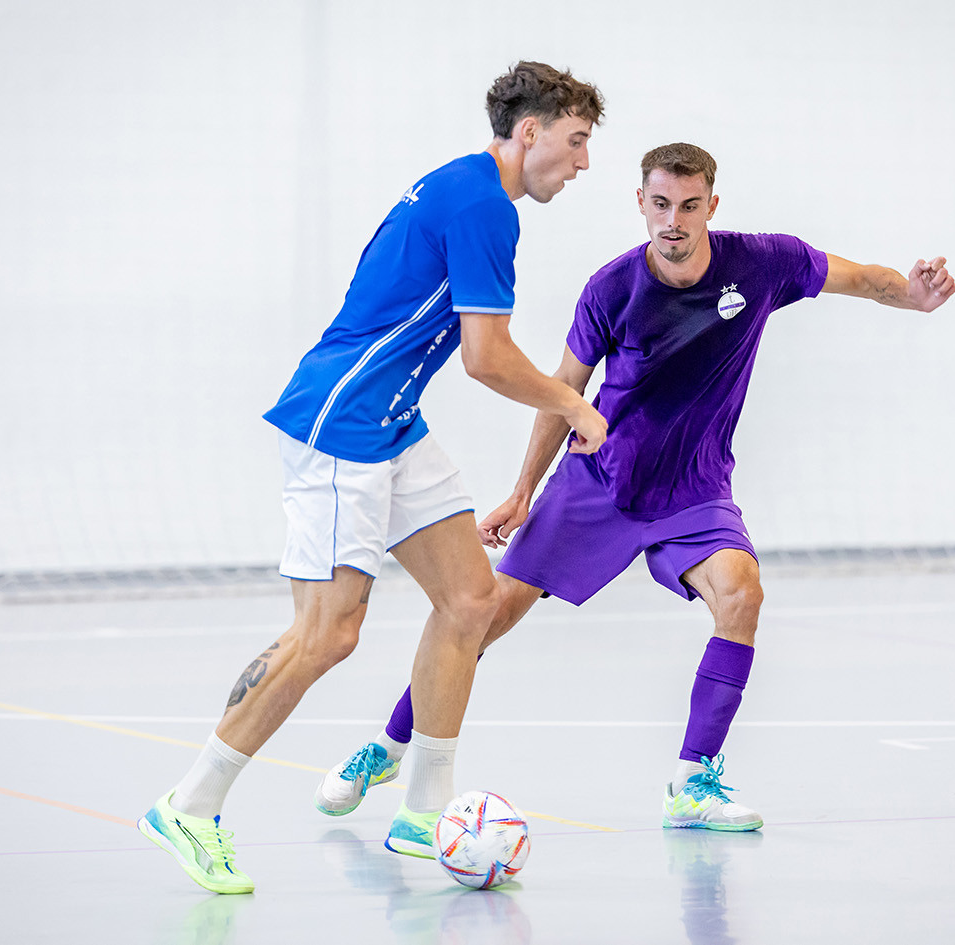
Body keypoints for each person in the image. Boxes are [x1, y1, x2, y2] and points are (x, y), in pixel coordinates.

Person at [314, 142, 955, 834]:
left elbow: (858, 276)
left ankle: (691, 781)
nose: (672, 221)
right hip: (601, 480)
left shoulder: (765, 262)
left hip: (695, 489)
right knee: (483, 614)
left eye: (688, 206)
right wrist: (524, 491)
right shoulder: (612, 287)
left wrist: (913, 297)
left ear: (712, 205)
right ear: (641, 204)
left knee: (741, 591)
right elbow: (565, 391)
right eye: (659, 205)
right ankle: (389, 744)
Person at [138, 61, 610, 894]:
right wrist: (574, 404)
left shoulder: (469, 192)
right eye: (574, 144)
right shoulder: (480, 206)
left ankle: (425, 811)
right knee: (327, 634)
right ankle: (190, 803)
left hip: (391, 423)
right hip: (343, 424)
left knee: (471, 600)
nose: (581, 165)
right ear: (529, 131)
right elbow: (486, 358)